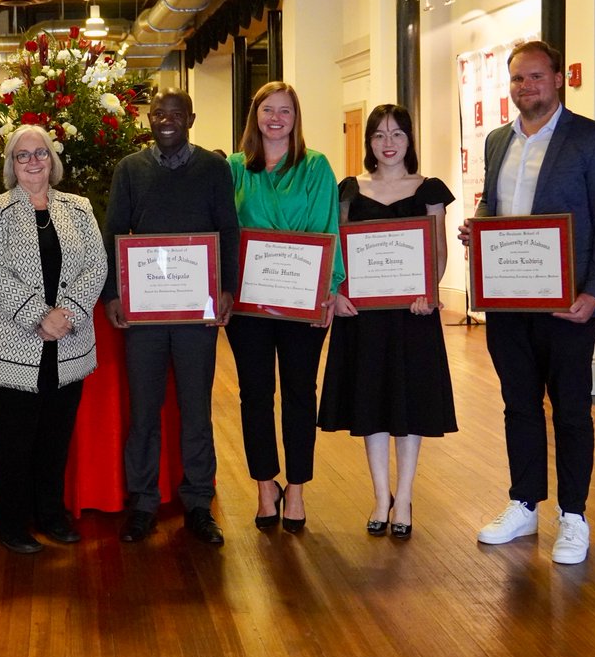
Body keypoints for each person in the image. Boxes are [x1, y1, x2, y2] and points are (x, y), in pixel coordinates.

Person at [461, 40, 595, 565]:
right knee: (519, 405)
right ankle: (524, 503)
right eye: (516, 79)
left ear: (558, 79)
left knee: (573, 410)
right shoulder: (496, 141)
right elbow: (495, 201)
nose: (525, 87)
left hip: (568, 304)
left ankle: (573, 517)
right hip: (508, 302)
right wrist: (479, 226)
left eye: (535, 77)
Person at [102, 88, 240, 546]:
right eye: (158, 114)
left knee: (196, 410)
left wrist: (226, 288)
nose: (166, 121)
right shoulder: (130, 169)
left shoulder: (214, 168)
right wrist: (113, 295)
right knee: (143, 411)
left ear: (191, 119)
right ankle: (142, 504)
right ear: (149, 119)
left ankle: (198, 504)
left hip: (196, 312)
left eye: (175, 114)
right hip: (143, 312)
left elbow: (228, 230)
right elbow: (115, 232)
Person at [0, 125, 107, 553]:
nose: (32, 162)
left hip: (68, 345)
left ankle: (51, 514)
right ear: (10, 164)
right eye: (22, 155)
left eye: (39, 153)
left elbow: (97, 265)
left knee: (54, 437)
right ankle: (9, 524)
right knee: (10, 441)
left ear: (52, 159)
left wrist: (69, 315)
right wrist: (39, 317)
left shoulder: (78, 207)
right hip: (9, 346)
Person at [318, 104, 457, 539]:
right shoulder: (347, 190)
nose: (389, 143)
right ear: (369, 143)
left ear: (410, 139)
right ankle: (381, 497)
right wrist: (337, 293)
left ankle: (406, 496)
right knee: (371, 402)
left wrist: (429, 293)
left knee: (408, 403)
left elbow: (437, 251)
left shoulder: (429, 188)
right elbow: (337, 248)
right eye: (379, 135)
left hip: (412, 314)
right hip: (362, 315)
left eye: (397, 134)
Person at [226, 81, 345, 534]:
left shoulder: (315, 166)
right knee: (254, 394)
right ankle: (264, 484)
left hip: (302, 302)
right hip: (249, 304)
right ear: (255, 116)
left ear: (296, 119)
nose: (276, 118)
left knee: (299, 393)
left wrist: (328, 290)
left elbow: (325, 227)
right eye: (267, 110)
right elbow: (226, 227)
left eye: (285, 111)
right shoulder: (235, 168)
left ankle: (295, 487)